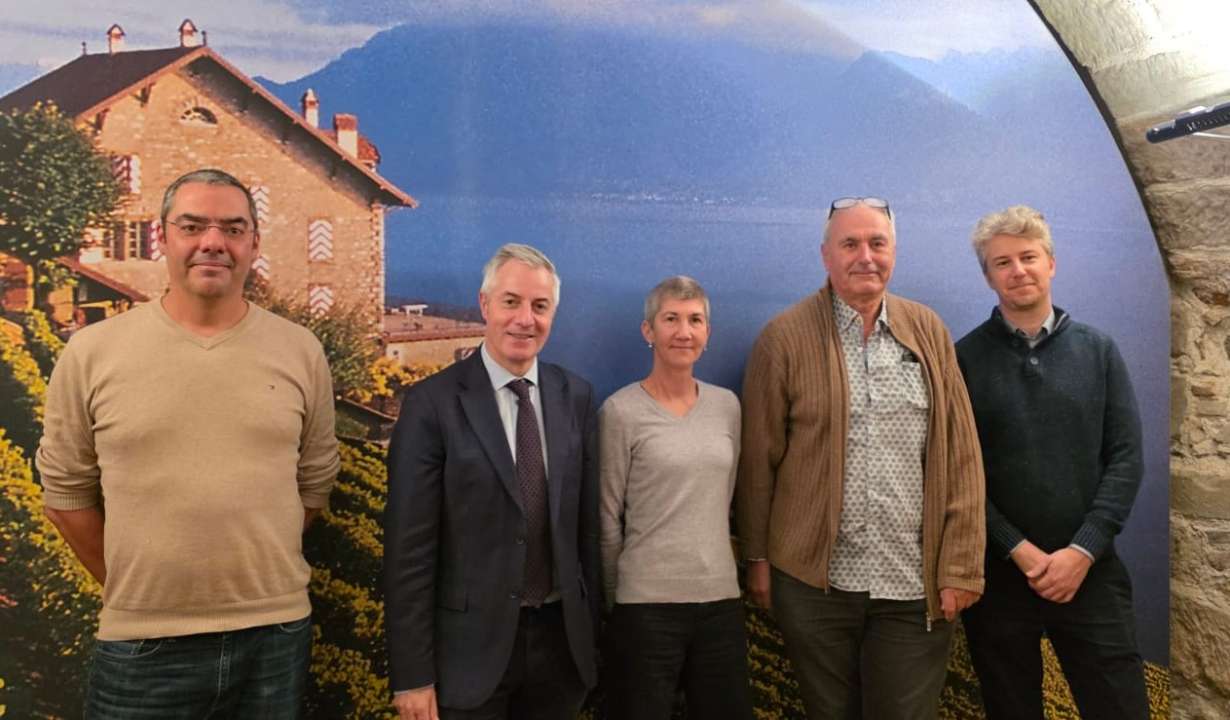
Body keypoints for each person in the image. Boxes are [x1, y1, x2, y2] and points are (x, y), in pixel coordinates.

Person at [37, 168, 339, 718]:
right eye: (193, 226)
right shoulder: (91, 353)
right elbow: (65, 496)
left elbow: (314, 484)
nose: (213, 242)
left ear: (254, 244)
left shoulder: (300, 350)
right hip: (141, 643)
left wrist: (250, 563)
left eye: (233, 229)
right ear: (162, 237)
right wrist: (137, 588)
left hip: (274, 637)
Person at [736, 196, 986, 719]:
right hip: (813, 586)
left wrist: (961, 565)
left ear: (894, 252)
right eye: (850, 244)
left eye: (877, 243)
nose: (865, 256)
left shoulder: (928, 330)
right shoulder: (783, 338)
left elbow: (962, 455)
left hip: (912, 583)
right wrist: (756, 558)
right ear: (826, 255)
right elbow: (759, 460)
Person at [383, 243, 600, 720]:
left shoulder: (577, 397)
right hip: (467, 660)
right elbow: (408, 551)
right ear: (485, 305)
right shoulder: (432, 404)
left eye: (540, 306)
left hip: (561, 654)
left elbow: (587, 532)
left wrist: (593, 644)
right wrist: (412, 674)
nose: (525, 319)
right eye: (511, 302)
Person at [955, 205, 1149, 719]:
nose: (1018, 270)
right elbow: (958, 475)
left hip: (1092, 573)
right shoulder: (962, 360)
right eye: (1002, 262)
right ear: (988, 276)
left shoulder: (1099, 351)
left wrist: (1082, 551)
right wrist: (1016, 549)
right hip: (1001, 581)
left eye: (1028, 257)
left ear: (1051, 263)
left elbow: (1126, 458)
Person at [599, 276, 753, 720]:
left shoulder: (727, 407)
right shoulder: (620, 411)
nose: (684, 331)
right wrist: (617, 602)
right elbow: (607, 520)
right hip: (644, 608)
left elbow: (725, 498)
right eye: (671, 319)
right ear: (649, 330)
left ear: (707, 332)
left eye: (695, 320)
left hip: (719, 602)